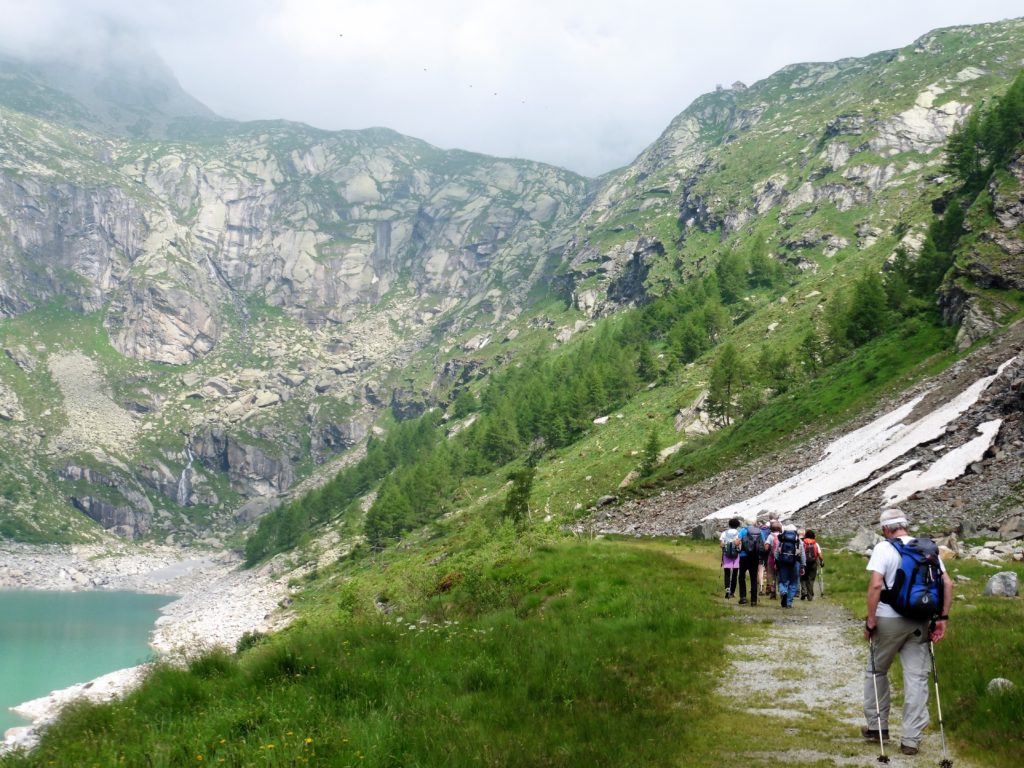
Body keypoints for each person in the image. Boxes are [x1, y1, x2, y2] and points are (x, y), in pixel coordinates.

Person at [863, 508, 953, 756]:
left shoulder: (884, 548)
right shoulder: (926, 549)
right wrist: (943, 618)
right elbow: (947, 583)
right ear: (905, 525)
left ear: (885, 529)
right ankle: (911, 739)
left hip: (888, 620)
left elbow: (876, 585)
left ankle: (877, 727)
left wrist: (871, 620)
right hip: (919, 621)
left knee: (876, 669)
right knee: (916, 678)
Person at [772, 522, 804, 608]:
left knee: (782, 580)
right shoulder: (798, 541)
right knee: (793, 583)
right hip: (795, 563)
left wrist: (777, 562)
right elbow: (802, 554)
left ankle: (783, 592)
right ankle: (789, 603)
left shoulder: (781, 540)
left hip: (783, 563)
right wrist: (803, 565)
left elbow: (776, 553)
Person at [737, 518, 762, 605]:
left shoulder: (743, 531)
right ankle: (754, 600)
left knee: (741, 577)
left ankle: (743, 597)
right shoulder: (759, 531)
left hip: (743, 556)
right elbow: (762, 544)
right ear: (754, 523)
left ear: (746, 523)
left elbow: (737, 542)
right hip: (754, 557)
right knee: (753, 578)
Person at [720, 518, 741, 599]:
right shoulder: (739, 533)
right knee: (735, 573)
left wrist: (725, 547)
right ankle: (732, 592)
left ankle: (727, 590)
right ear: (737, 525)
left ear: (729, 524)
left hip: (726, 555)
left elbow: (721, 545)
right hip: (736, 555)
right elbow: (739, 544)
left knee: (727, 572)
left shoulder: (724, 533)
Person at [801, 529, 823, 600]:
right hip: (813, 563)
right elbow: (820, 555)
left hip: (804, 563)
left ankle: (804, 592)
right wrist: (822, 562)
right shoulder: (816, 544)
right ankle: (810, 596)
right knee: (810, 579)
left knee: (803, 577)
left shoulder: (803, 543)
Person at [764, 519, 782, 600]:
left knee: (771, 575)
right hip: (781, 559)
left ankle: (772, 591)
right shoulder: (783, 536)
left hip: (771, 558)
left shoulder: (770, 536)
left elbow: (766, 548)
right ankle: (782, 591)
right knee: (780, 575)